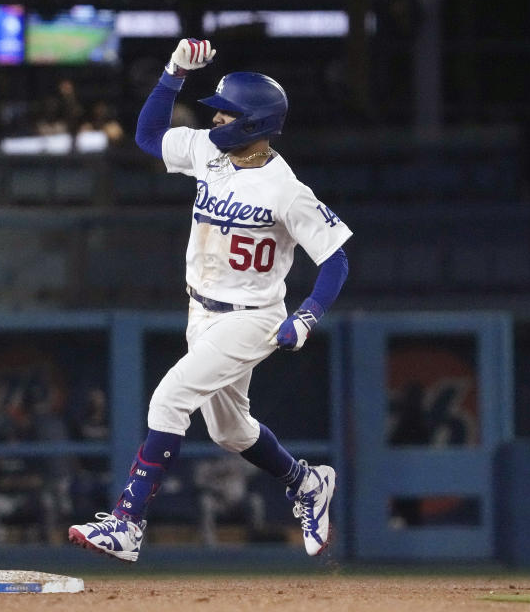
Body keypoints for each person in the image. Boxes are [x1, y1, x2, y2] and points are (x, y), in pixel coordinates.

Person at [69, 38, 351, 561]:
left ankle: (127, 523)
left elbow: (335, 259)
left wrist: (306, 317)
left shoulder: (285, 190)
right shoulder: (209, 152)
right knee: (229, 430)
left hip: (253, 318)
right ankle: (307, 480)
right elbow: (149, 135)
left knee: (169, 398)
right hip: (201, 309)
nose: (215, 119)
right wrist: (173, 72)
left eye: (226, 114)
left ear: (254, 124)